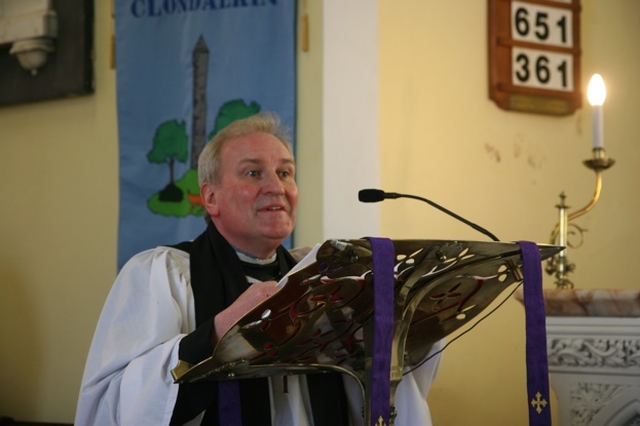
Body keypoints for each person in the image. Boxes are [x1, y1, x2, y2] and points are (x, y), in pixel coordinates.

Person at [75, 112, 443, 425]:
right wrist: (218, 334)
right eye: (253, 174)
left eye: (285, 173)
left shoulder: (322, 277)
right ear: (211, 197)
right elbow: (114, 404)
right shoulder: (161, 274)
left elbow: (384, 385)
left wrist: (411, 319)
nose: (276, 187)